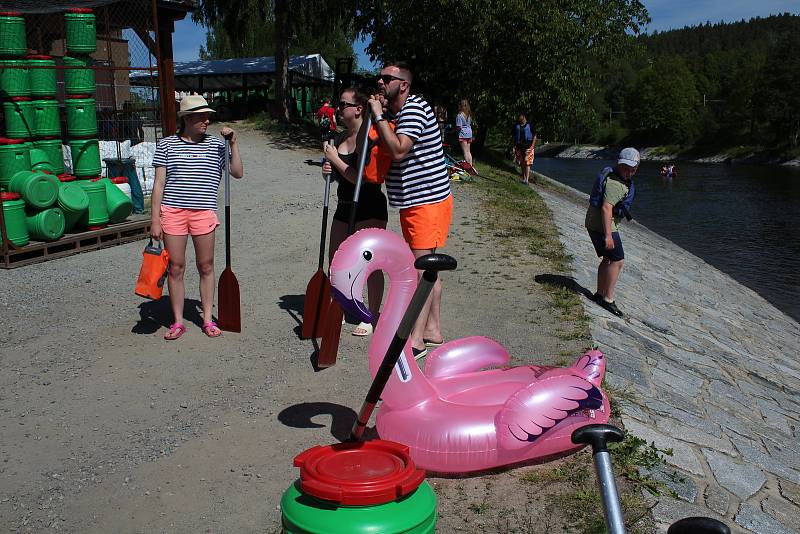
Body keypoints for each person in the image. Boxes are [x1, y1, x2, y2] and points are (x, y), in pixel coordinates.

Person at [368, 61, 453, 359]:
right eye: (378, 77)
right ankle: (433, 330)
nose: (379, 82)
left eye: (386, 78)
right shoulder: (395, 112)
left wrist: (378, 115)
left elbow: (400, 148)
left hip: (426, 201)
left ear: (403, 84)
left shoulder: (415, 108)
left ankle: (416, 340)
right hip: (414, 202)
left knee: (422, 271)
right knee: (430, 268)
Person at [150, 95, 244, 340]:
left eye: (207, 115)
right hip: (173, 212)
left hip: (203, 212)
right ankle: (178, 321)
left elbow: (237, 173)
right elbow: (159, 184)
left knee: (206, 265)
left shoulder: (216, 145)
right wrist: (155, 220)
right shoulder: (167, 145)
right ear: (187, 119)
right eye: (201, 116)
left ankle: (206, 319)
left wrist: (233, 144)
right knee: (176, 267)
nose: (207, 120)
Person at [322, 87, 392, 336]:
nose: (338, 108)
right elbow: (339, 174)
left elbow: (361, 178)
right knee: (337, 260)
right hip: (344, 206)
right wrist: (328, 170)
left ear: (358, 109)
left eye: (343, 104)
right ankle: (341, 305)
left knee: (369, 264)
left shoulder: (369, 136)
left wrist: (336, 161)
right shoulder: (340, 137)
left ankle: (371, 315)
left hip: (369, 206)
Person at [585, 147, 639, 318]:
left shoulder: (614, 176)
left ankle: (599, 294)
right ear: (618, 163)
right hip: (603, 225)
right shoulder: (616, 184)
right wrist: (608, 235)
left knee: (608, 259)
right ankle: (608, 299)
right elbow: (607, 208)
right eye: (625, 167)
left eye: (632, 168)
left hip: (594, 223)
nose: (629, 172)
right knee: (618, 260)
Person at [512, 113, 537, 184]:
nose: (518, 118)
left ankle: (527, 180)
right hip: (519, 147)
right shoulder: (516, 126)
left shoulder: (530, 125)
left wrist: (532, 146)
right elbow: (513, 137)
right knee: (521, 163)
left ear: (523, 117)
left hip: (528, 147)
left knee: (527, 163)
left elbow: (535, 136)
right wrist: (513, 146)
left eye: (519, 116)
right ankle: (524, 178)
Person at [455, 99, 474, 167]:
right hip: (469, 133)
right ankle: (471, 166)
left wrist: (454, 131)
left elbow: (459, 127)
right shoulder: (468, 114)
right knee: (468, 151)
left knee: (465, 152)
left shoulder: (459, 115)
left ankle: (468, 168)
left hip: (463, 134)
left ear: (460, 106)